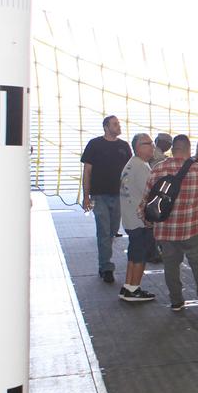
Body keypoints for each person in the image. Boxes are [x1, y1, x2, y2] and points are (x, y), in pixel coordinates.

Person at [150, 134, 198, 310]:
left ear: (173, 149)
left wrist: (146, 218)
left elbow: (147, 198)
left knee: (170, 266)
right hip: (192, 228)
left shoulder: (158, 169)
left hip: (165, 229)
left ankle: (176, 301)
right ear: (189, 149)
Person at [81, 115, 133, 284]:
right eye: (115, 124)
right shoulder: (94, 144)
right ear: (106, 127)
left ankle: (104, 262)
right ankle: (106, 266)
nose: (119, 126)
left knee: (112, 230)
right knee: (103, 230)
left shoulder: (124, 146)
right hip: (99, 195)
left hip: (118, 195)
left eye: (119, 123)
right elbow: (87, 171)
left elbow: (130, 171)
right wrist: (86, 196)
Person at [117, 133, 157, 302]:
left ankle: (128, 286)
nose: (152, 146)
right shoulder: (141, 167)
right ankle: (134, 289)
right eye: (149, 143)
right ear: (138, 147)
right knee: (140, 254)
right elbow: (149, 194)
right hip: (140, 220)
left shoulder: (131, 164)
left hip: (130, 217)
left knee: (134, 253)